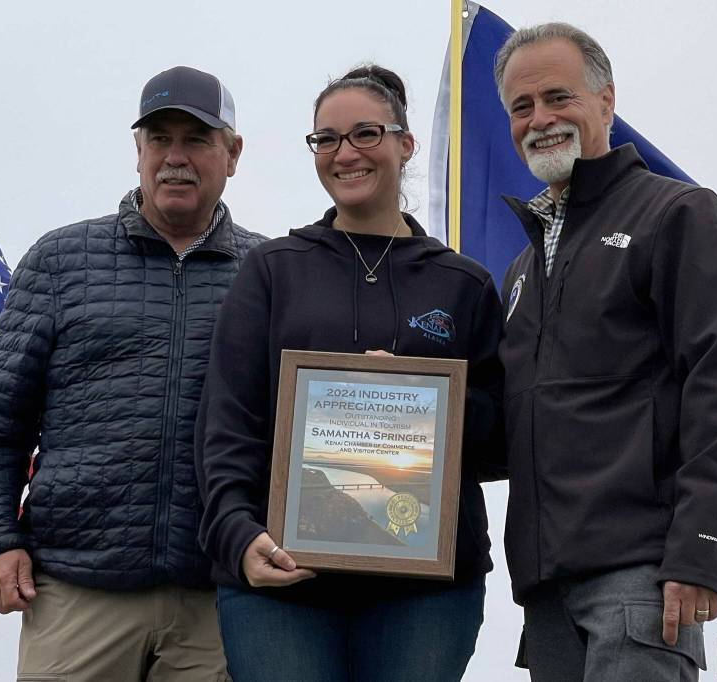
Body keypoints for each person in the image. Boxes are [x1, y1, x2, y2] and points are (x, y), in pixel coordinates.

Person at [0, 65, 265, 681]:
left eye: (197, 139)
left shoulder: (269, 272)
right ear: (138, 151)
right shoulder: (61, 261)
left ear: (233, 153)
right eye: (159, 139)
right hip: (74, 593)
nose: (175, 157)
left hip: (218, 602)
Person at [195, 64, 504, 681]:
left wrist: (425, 402)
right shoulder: (272, 270)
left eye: (366, 133)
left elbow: (503, 441)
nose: (345, 154)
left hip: (425, 593)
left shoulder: (464, 284)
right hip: (281, 582)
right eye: (327, 139)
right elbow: (228, 421)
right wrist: (235, 533)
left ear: (405, 143)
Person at [493, 22, 717, 681]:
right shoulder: (521, 269)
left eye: (559, 97)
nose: (540, 119)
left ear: (606, 101)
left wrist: (699, 554)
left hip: (641, 579)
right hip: (543, 592)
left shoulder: (676, 214)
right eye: (521, 107)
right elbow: (504, 426)